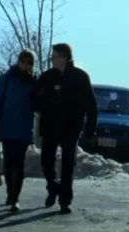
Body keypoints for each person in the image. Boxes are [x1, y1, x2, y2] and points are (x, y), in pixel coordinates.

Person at [35, 43, 97, 214]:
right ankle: (53, 187)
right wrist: (47, 100)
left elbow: (91, 105)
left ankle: (65, 200)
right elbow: (35, 100)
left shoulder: (80, 77)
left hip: (71, 126)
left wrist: (90, 129)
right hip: (50, 125)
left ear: (64, 57)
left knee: (68, 164)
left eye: (55, 56)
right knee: (46, 161)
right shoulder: (47, 77)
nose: (52, 59)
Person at [0, 50, 38, 211]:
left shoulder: (34, 82)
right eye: (23, 61)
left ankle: (15, 197)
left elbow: (37, 105)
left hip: (23, 127)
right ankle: (10, 191)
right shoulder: (7, 78)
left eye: (29, 62)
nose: (25, 65)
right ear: (18, 61)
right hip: (7, 126)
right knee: (9, 162)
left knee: (19, 163)